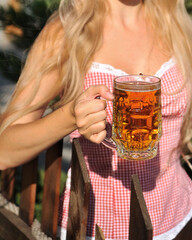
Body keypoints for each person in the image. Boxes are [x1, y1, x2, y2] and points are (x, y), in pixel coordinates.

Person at [0, 0, 192, 239]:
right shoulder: (67, 32)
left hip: (181, 217)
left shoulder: (175, 22)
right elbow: (4, 151)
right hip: (94, 228)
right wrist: (69, 116)